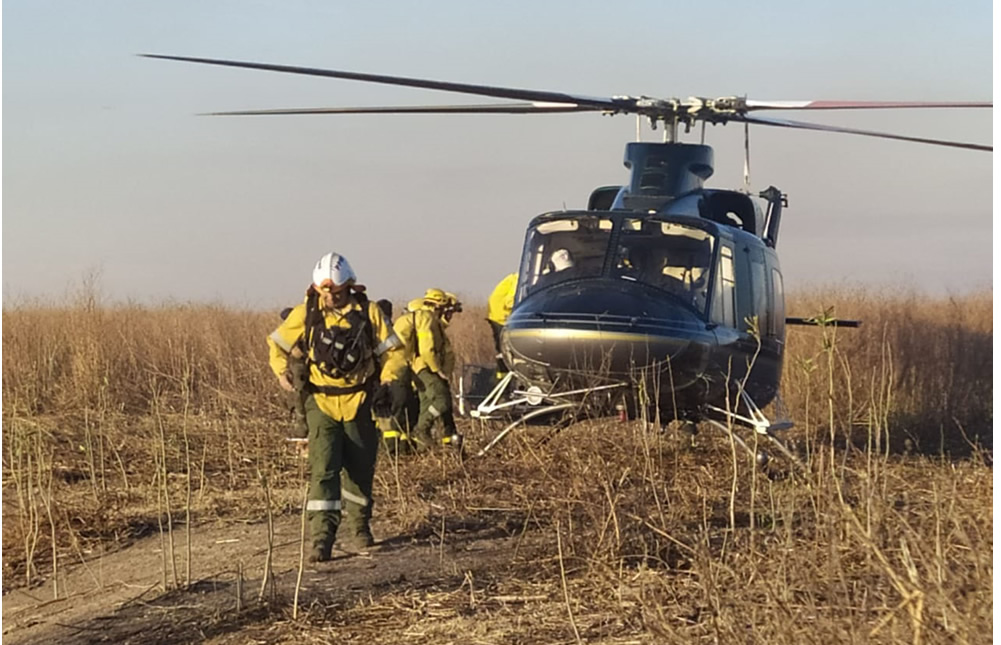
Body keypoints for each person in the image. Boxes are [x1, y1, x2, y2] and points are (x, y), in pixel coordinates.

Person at [267, 252, 407, 562]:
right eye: (325, 291)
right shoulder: (306, 314)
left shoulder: (370, 314)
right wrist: (281, 371)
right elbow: (276, 342)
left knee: (359, 469)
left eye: (336, 292)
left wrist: (389, 380)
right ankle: (322, 539)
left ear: (349, 287)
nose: (330, 297)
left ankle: (360, 529)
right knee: (323, 470)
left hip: (360, 401)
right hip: (321, 402)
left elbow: (394, 352)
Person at [394, 288, 462, 451]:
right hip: (425, 367)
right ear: (438, 306)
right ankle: (421, 430)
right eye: (446, 310)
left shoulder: (429, 319)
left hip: (421, 367)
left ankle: (422, 447)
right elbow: (427, 349)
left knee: (426, 403)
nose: (448, 315)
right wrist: (436, 369)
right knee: (442, 400)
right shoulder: (426, 318)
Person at [486, 272, 518, 377]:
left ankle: (503, 377)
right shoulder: (517, 281)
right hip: (501, 318)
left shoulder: (514, 278)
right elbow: (510, 301)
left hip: (497, 316)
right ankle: (506, 381)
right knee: (505, 351)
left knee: (502, 351)